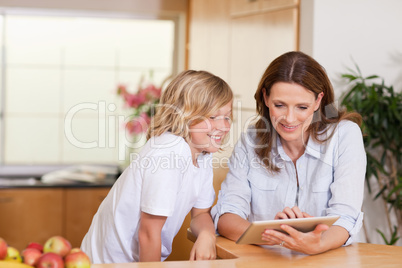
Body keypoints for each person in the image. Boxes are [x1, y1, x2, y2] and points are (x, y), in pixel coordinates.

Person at [211, 51, 366, 255]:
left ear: (318, 100)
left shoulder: (344, 135)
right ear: (266, 98)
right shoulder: (252, 140)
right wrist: (274, 235)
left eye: (302, 107)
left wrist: (316, 243)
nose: (289, 119)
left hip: (329, 260)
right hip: (266, 260)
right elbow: (227, 215)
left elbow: (346, 217)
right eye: (280, 105)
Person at [81, 70, 233, 263]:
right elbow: (148, 233)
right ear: (184, 115)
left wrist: (207, 235)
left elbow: (200, 213)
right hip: (109, 264)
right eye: (213, 117)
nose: (225, 126)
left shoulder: (202, 154)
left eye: (227, 117)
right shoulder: (170, 152)